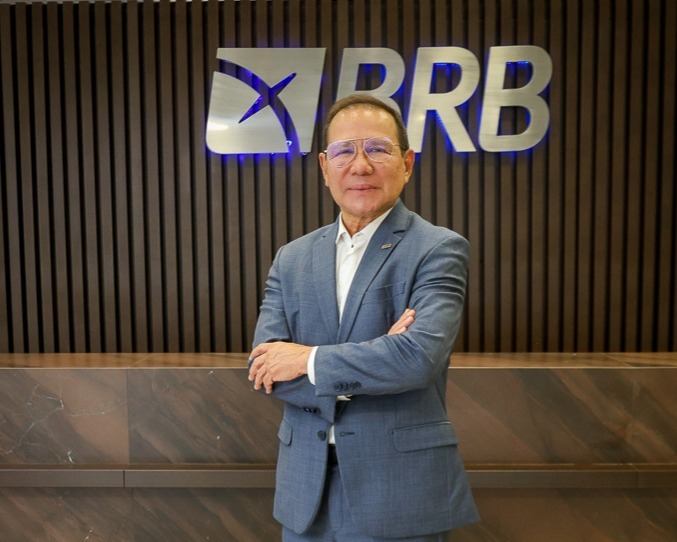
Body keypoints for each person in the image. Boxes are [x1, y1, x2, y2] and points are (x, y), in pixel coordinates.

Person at [248, 93, 479, 541]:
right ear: (324, 167)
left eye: (377, 149)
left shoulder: (437, 249)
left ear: (407, 163)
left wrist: (307, 359)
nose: (360, 166)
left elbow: (416, 359)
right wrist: (378, 356)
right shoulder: (291, 258)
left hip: (398, 490)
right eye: (344, 151)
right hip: (306, 490)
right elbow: (265, 368)